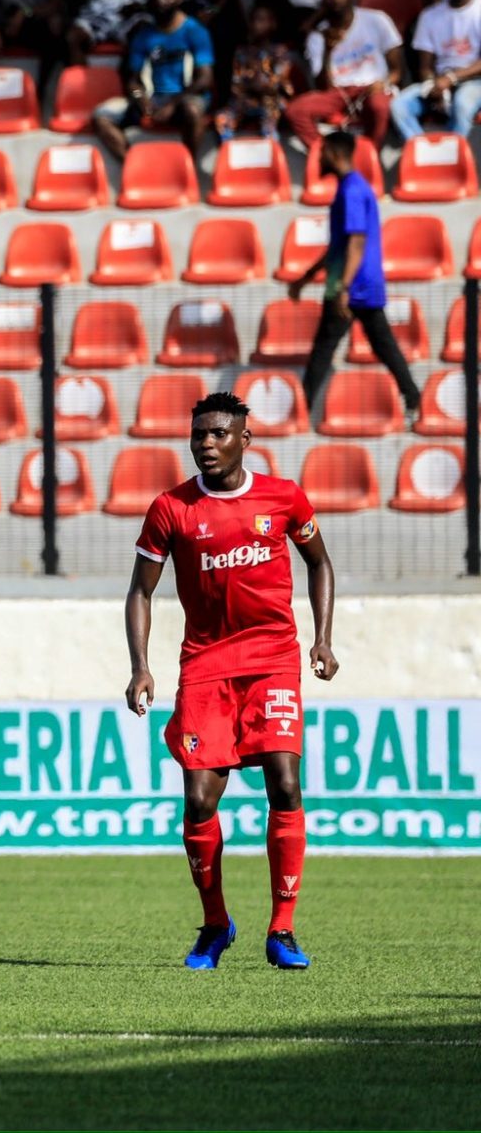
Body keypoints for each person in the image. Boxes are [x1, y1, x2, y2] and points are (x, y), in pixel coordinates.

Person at [125, 389, 336, 973]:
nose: (207, 444)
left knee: (285, 784)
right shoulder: (171, 508)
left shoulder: (284, 498)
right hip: (206, 665)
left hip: (272, 657)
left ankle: (283, 929)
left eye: (219, 434)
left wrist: (321, 638)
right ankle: (216, 924)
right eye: (199, 435)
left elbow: (320, 562)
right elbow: (141, 590)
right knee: (198, 799)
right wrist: (141, 665)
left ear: (246, 439)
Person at [288, 130, 423, 424]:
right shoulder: (352, 188)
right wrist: (306, 277)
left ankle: (301, 411)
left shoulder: (351, 190)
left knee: (324, 349)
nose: (319, 157)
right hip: (358, 284)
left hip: (352, 286)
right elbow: (339, 244)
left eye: (323, 151)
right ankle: (413, 397)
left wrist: (344, 288)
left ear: (336, 154)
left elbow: (357, 242)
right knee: (381, 344)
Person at [91, 0, 215, 162]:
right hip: (153, 99)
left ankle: (187, 171)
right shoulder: (144, 35)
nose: (160, 1)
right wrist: (141, 99)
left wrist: (171, 104)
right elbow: (133, 80)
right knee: (102, 116)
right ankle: (134, 167)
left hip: (184, 99)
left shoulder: (194, 31)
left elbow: (205, 79)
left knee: (193, 111)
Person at [285, 0, 401, 151]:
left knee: (378, 105)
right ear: (324, 0)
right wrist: (327, 50)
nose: (335, 0)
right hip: (339, 93)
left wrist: (384, 84)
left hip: (374, 88)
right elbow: (324, 87)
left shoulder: (377, 19)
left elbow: (397, 71)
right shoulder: (318, 37)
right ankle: (328, 155)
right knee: (296, 110)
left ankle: (370, 156)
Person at [393, 0, 481, 141]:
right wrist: (435, 86)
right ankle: (423, 155)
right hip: (439, 81)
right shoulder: (430, 15)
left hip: (474, 81)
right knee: (399, 105)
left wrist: (451, 79)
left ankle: (454, 160)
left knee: (462, 103)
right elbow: (425, 66)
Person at [215, 0, 298, 140]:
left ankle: (271, 155)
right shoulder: (242, 52)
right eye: (253, 20)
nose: (256, 24)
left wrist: (260, 83)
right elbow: (237, 84)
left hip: (272, 101)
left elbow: (278, 84)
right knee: (223, 118)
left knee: (269, 123)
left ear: (272, 24)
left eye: (261, 20)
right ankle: (229, 156)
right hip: (246, 100)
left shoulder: (279, 52)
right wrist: (247, 92)